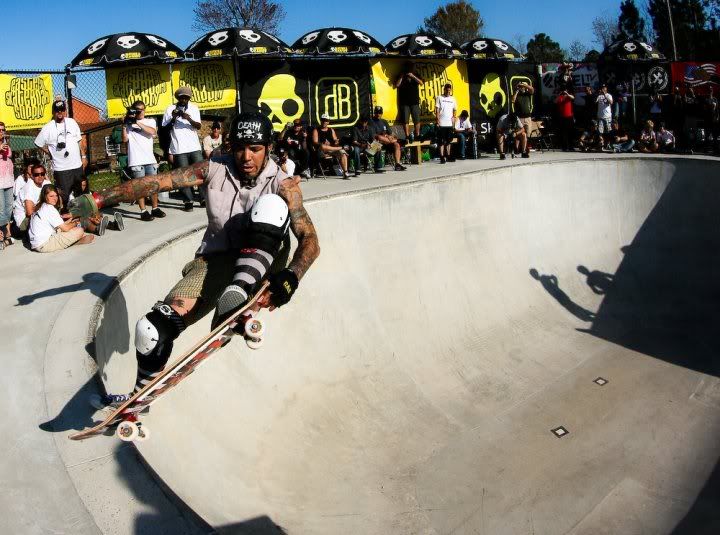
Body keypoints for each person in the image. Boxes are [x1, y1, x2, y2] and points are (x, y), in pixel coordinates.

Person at [68, 112, 320, 409]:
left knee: (271, 206)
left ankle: (240, 294)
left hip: (265, 263)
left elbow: (310, 240)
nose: (246, 157)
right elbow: (156, 182)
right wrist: (98, 199)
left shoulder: (284, 185)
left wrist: (292, 277)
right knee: (151, 330)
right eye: (240, 148)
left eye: (255, 149)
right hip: (215, 262)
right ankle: (139, 398)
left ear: (268, 148)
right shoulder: (214, 168)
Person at [34, 99, 86, 207]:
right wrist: (49, 152)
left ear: (65, 110)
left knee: (80, 193)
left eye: (62, 109)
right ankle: (65, 214)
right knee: (64, 196)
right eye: (57, 110)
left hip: (77, 165)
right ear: (53, 112)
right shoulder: (48, 127)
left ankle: (81, 214)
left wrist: (84, 156)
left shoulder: (72, 122)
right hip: (61, 169)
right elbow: (38, 143)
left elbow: (79, 140)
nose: (60, 112)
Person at [123, 100, 166, 222]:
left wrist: (136, 122)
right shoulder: (129, 124)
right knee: (139, 187)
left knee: (153, 185)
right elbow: (125, 140)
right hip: (136, 160)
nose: (140, 112)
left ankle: (155, 208)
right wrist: (124, 125)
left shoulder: (150, 121)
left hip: (149, 159)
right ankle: (143, 211)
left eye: (142, 110)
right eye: (138, 110)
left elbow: (153, 132)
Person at [162, 86, 203, 211]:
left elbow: (199, 126)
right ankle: (188, 201)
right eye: (181, 98)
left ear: (189, 98)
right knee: (183, 176)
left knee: (199, 173)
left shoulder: (194, 108)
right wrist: (173, 118)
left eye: (186, 98)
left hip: (194, 147)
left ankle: (203, 198)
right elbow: (164, 128)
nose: (184, 100)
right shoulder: (170, 109)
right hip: (179, 148)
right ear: (177, 98)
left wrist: (188, 118)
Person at [29, 184, 94, 252]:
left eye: (56, 195)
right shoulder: (49, 208)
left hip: (38, 242)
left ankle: (76, 239)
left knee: (78, 231)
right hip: (44, 245)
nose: (55, 198)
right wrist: (76, 223)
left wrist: (72, 221)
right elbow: (65, 228)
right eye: (51, 196)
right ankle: (74, 242)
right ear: (45, 197)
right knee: (79, 231)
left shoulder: (41, 206)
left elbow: (60, 226)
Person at [13, 163, 50, 233]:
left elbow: (57, 199)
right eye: (36, 175)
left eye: (42, 174)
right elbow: (29, 212)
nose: (40, 176)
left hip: (38, 214)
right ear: (32, 176)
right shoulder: (29, 188)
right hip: (23, 223)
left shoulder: (46, 183)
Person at [394, 61, 425, 142]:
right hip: (404, 102)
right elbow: (397, 85)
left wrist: (413, 76)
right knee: (405, 120)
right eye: (408, 67)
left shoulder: (416, 74)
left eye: (411, 67)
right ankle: (407, 136)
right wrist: (402, 76)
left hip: (414, 101)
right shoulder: (401, 75)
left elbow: (421, 83)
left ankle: (417, 135)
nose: (409, 69)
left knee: (417, 119)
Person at [312, 114, 350, 180]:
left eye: (326, 120)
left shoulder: (331, 130)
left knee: (343, 153)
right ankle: (342, 147)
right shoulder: (316, 130)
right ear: (321, 121)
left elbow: (335, 140)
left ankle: (345, 172)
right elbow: (315, 142)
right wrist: (322, 144)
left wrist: (336, 141)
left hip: (332, 150)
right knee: (323, 146)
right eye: (323, 120)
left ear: (328, 122)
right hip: (322, 150)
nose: (324, 122)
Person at [369, 106, 406, 171]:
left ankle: (397, 165)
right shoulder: (371, 122)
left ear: (382, 113)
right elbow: (374, 136)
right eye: (377, 113)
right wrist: (386, 137)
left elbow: (390, 133)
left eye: (380, 113)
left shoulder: (384, 121)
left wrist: (389, 136)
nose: (378, 114)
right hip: (373, 145)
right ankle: (378, 167)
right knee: (379, 137)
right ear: (374, 113)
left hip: (386, 143)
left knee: (396, 145)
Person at [511, 80, 534, 158]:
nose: (522, 87)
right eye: (521, 86)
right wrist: (517, 91)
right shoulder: (517, 93)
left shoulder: (528, 94)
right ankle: (517, 149)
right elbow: (512, 100)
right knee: (518, 134)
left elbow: (532, 89)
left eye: (523, 86)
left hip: (527, 117)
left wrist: (524, 85)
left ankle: (524, 149)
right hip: (519, 118)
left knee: (527, 134)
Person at [0, 122, 14, 248]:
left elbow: (8, 156)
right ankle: (3, 235)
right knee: (1, 209)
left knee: (9, 208)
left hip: (8, 180)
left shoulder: (6, 142)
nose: (1, 132)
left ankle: (7, 233)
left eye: (3, 129)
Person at [435, 83, 457, 163]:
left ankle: (448, 156)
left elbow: (455, 109)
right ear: (444, 90)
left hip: (449, 124)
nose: (448, 92)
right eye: (447, 90)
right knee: (441, 142)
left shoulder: (453, 99)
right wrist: (437, 120)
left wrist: (454, 117)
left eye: (449, 91)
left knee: (448, 141)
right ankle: (442, 157)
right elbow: (437, 110)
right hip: (442, 123)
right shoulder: (439, 97)